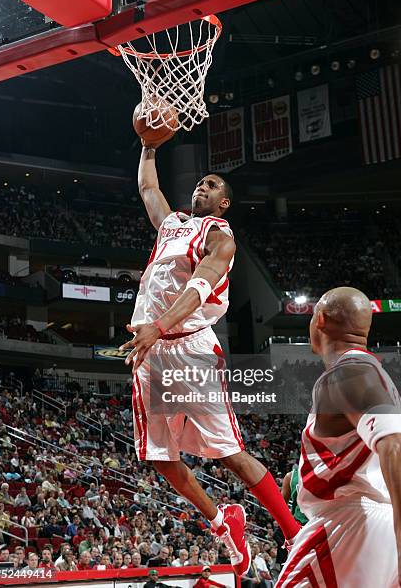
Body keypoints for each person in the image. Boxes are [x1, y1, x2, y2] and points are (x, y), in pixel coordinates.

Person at [119, 143, 299, 576]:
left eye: (212, 185)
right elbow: (147, 187)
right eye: (199, 182)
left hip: (185, 348)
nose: (202, 186)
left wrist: (158, 327)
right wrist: (146, 145)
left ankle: (294, 533)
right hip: (151, 349)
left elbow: (200, 287)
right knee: (160, 457)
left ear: (224, 202)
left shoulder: (219, 234)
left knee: (228, 454)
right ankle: (224, 524)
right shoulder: (173, 226)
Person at [276, 287, 401, 587]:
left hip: (346, 526)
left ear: (319, 319)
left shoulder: (351, 371)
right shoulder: (364, 372)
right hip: (370, 525)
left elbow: (394, 445)